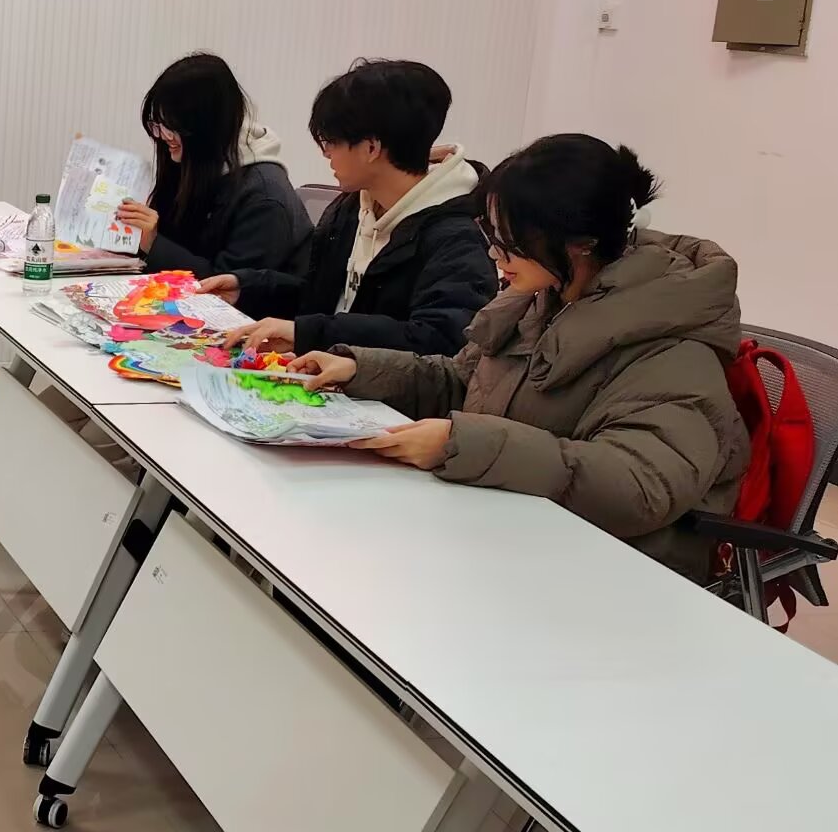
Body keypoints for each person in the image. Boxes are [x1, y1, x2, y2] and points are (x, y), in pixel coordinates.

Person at [291, 136, 747, 580]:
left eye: (511, 241)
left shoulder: (673, 347)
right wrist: (360, 369)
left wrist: (465, 444)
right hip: (508, 533)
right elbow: (463, 382)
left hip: (609, 572)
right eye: (493, 235)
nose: (495, 254)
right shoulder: (541, 297)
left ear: (580, 242)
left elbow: (640, 486)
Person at [213, 60, 495, 357]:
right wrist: (247, 287)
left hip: (374, 386)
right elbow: (321, 298)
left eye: (330, 142)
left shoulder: (458, 236)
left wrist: (310, 334)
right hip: (321, 372)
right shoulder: (351, 207)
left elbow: (437, 339)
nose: (326, 154)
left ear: (371, 148)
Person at [113, 53, 311, 278]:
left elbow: (229, 287)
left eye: (172, 126)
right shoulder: (194, 164)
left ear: (204, 127)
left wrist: (154, 244)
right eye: (158, 124)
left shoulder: (263, 195)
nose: (162, 136)